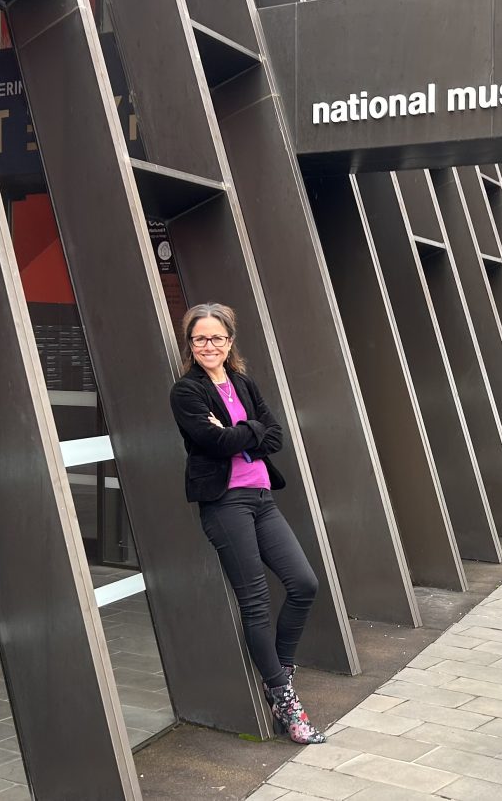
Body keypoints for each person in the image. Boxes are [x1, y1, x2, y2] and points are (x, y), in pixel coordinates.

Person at [169, 302, 326, 744]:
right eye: (199, 338)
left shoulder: (243, 382)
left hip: (261, 497)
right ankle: (284, 698)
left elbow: (274, 434)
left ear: (230, 341)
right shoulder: (187, 392)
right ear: (190, 344)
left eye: (216, 337)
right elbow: (213, 441)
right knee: (255, 600)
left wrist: (241, 430)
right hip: (225, 504)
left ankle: (279, 670)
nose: (208, 345)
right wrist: (248, 431)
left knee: (303, 583)